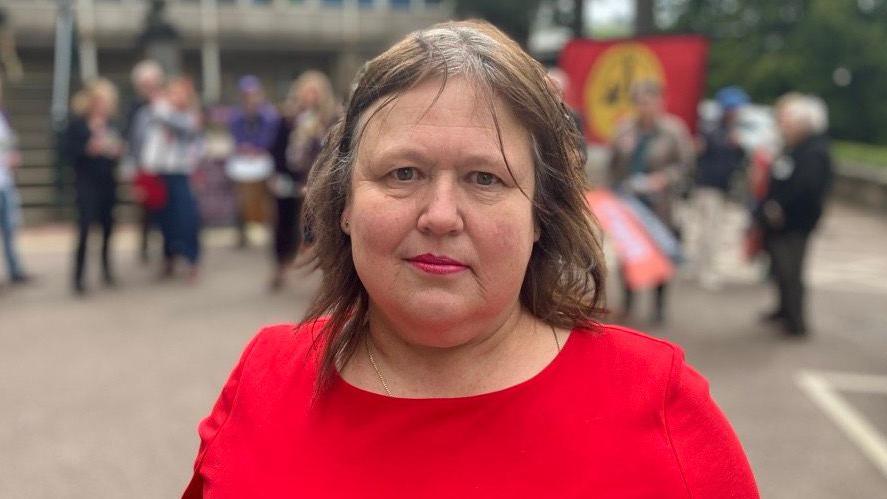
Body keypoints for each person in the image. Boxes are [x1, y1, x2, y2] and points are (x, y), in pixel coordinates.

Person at [182, 20, 758, 498]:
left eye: (486, 178)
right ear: (344, 203)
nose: (440, 215)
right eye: (402, 173)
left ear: (541, 215)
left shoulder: (661, 409)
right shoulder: (265, 377)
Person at [609, 79, 695, 324]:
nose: (644, 107)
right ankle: (628, 304)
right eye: (639, 102)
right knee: (628, 254)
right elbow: (614, 164)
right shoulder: (625, 129)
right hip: (629, 202)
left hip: (659, 204)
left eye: (649, 101)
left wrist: (664, 179)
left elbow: (685, 166)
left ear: (660, 102)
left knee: (660, 253)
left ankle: (658, 307)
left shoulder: (673, 130)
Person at [755, 93, 832, 336]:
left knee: (791, 272)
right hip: (782, 222)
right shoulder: (795, 148)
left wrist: (780, 207)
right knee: (781, 269)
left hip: (795, 223)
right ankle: (784, 311)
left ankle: (796, 322)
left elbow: (806, 188)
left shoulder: (814, 152)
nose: (784, 129)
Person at [267, 70, 336, 291]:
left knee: (321, 225)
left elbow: (334, 151)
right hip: (289, 177)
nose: (310, 96)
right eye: (307, 91)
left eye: (315, 92)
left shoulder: (331, 119)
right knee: (283, 224)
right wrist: (277, 174)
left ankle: (328, 273)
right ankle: (280, 267)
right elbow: (276, 148)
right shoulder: (287, 117)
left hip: (318, 179)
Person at [140, 76, 204, 282]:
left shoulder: (186, 116)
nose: (177, 97)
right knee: (164, 219)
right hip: (159, 172)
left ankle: (192, 259)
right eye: (173, 92)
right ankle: (169, 257)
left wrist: (159, 107)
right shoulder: (154, 114)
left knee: (187, 219)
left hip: (181, 173)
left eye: (181, 93)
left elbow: (183, 128)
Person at [65, 79, 123, 295]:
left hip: (107, 180)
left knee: (108, 227)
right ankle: (78, 277)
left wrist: (116, 150)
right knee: (84, 229)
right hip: (86, 182)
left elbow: (118, 149)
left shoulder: (111, 125)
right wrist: (88, 148)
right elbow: (68, 152)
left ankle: (107, 270)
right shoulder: (78, 124)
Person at [692, 86, 749, 290]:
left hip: (722, 188)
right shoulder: (711, 130)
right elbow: (702, 156)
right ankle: (705, 269)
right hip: (708, 187)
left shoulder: (732, 132)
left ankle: (702, 266)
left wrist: (739, 147)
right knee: (709, 231)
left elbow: (740, 160)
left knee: (712, 230)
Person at [227, 75, 279, 248]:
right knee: (241, 199)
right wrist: (244, 147)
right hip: (242, 161)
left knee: (265, 198)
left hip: (262, 160)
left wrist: (257, 147)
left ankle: (266, 229)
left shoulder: (268, 114)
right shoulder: (237, 114)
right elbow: (236, 136)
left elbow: (269, 136)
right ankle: (242, 232)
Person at [123, 59, 166, 263]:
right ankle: (144, 247)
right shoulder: (134, 108)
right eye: (145, 84)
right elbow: (129, 138)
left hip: (165, 165)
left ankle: (169, 251)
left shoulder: (166, 103)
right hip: (143, 165)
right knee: (144, 209)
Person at [0, 78, 28, 285]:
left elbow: (8, 144)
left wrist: (14, 156)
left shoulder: (4, 116)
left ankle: (15, 270)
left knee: (10, 228)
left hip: (5, 181)